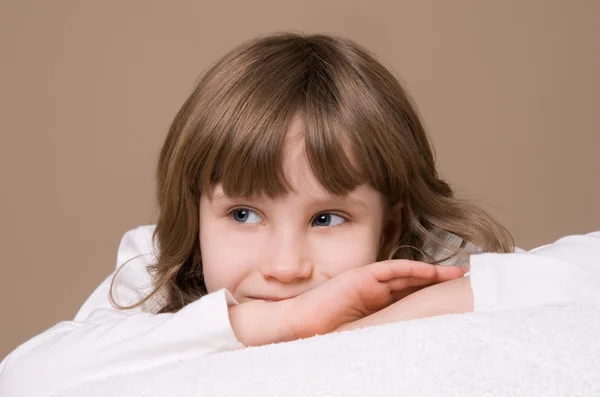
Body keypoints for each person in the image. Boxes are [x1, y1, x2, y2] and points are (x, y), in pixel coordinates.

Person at [1, 32, 598, 397]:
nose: (286, 266)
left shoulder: (417, 259)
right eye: (242, 214)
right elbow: (23, 379)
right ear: (197, 218)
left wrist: (393, 315)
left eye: (327, 219)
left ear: (387, 227)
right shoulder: (151, 272)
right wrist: (272, 326)